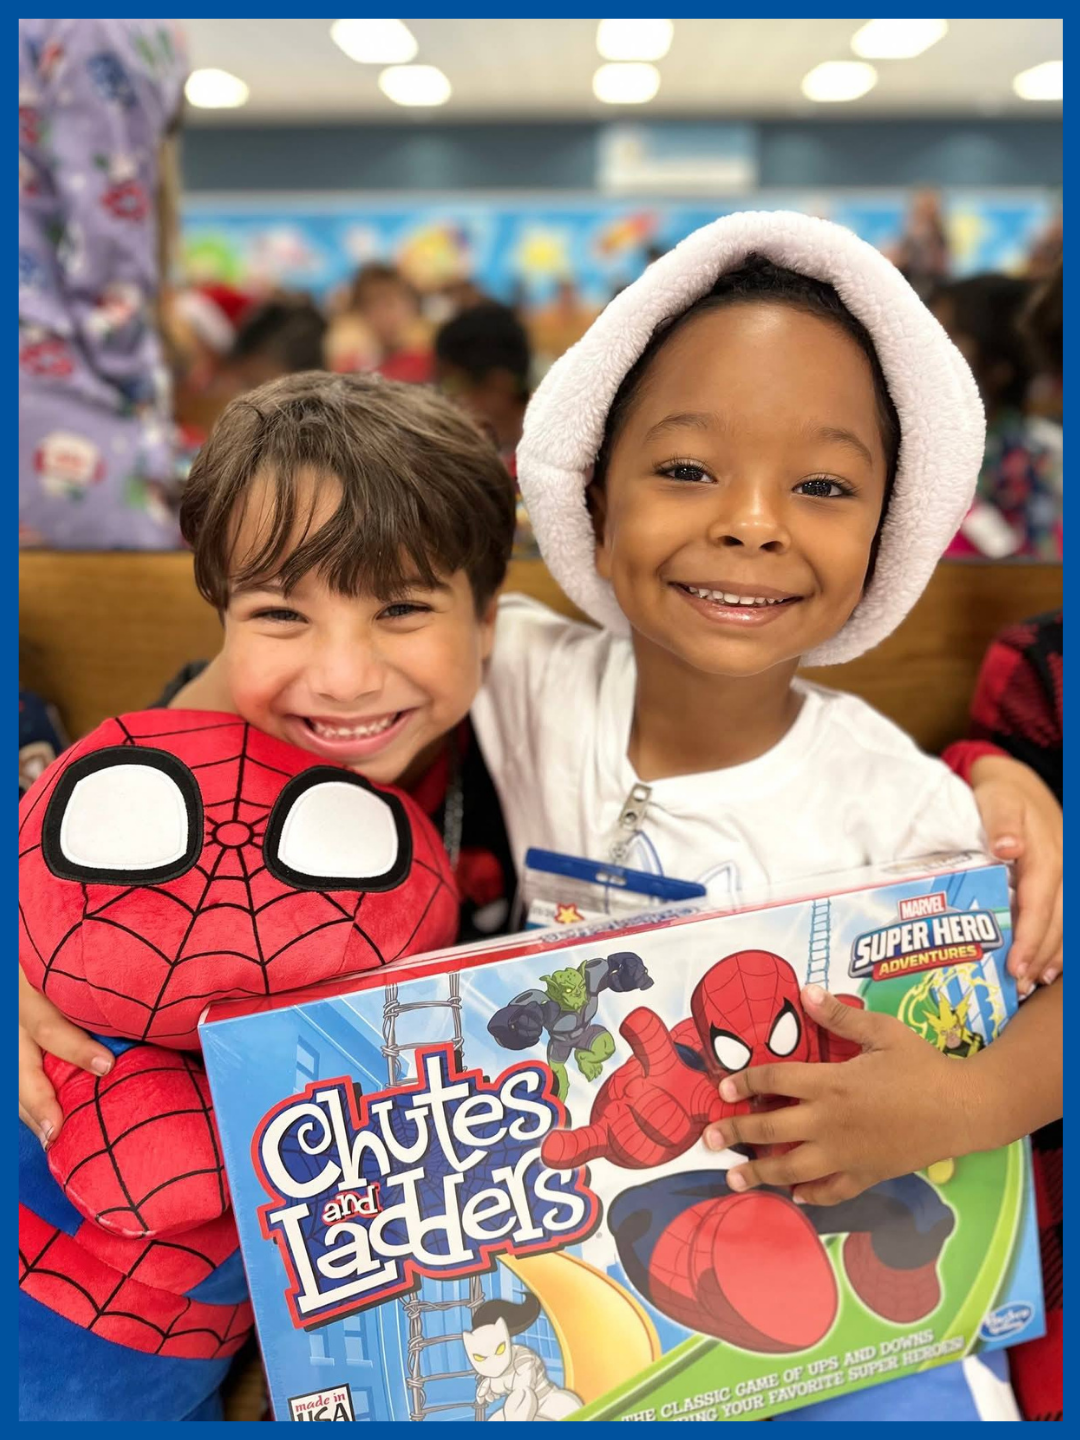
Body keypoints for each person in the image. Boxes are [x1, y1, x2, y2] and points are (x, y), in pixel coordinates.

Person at [472, 213, 1062, 1420]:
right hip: (600, 1276)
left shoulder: (906, 803)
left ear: (891, 524)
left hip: (838, 1311)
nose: (753, 521)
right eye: (686, 469)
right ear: (589, 485)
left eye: (825, 485)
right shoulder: (518, 674)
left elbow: (1042, 990)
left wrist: (970, 1102)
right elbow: (304, 672)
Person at [19, 370, 518, 1149]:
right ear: (223, 622)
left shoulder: (519, 736)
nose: (344, 679)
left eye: (402, 608)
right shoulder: (165, 781)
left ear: (487, 621)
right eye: (281, 613)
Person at [19, 18, 188, 549]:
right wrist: (137, 390)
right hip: (53, 390)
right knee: (124, 613)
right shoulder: (106, 22)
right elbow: (110, 238)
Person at [932, 274, 1062, 560]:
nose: (927, 352)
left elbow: (1039, 581)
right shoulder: (917, 450)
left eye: (948, 336)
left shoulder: (1036, 460)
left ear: (999, 368)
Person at [335, 262, 433, 383]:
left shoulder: (430, 361)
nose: (382, 314)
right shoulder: (352, 368)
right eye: (370, 304)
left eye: (390, 304)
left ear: (412, 306)